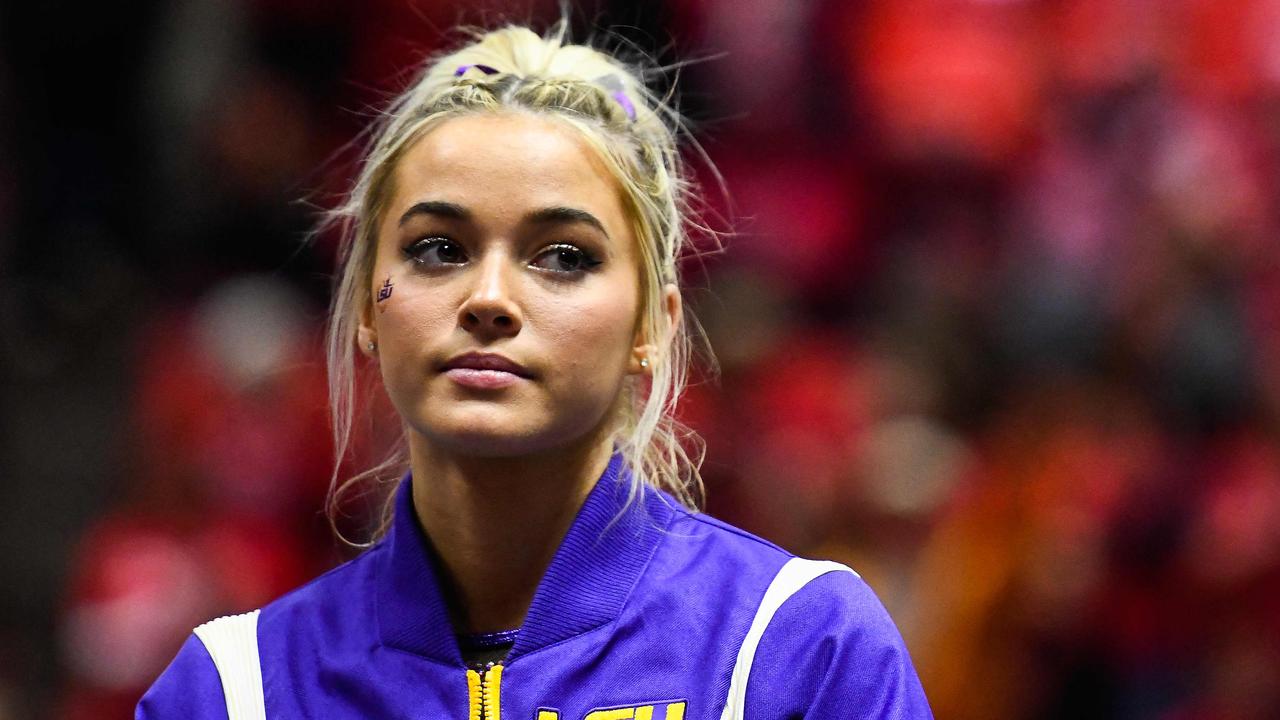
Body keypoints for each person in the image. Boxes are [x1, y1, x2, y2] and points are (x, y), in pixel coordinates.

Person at [136, 21, 932, 720]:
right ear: (370, 311)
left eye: (562, 257)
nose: (488, 299)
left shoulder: (794, 651)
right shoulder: (234, 692)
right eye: (437, 249)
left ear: (653, 325)